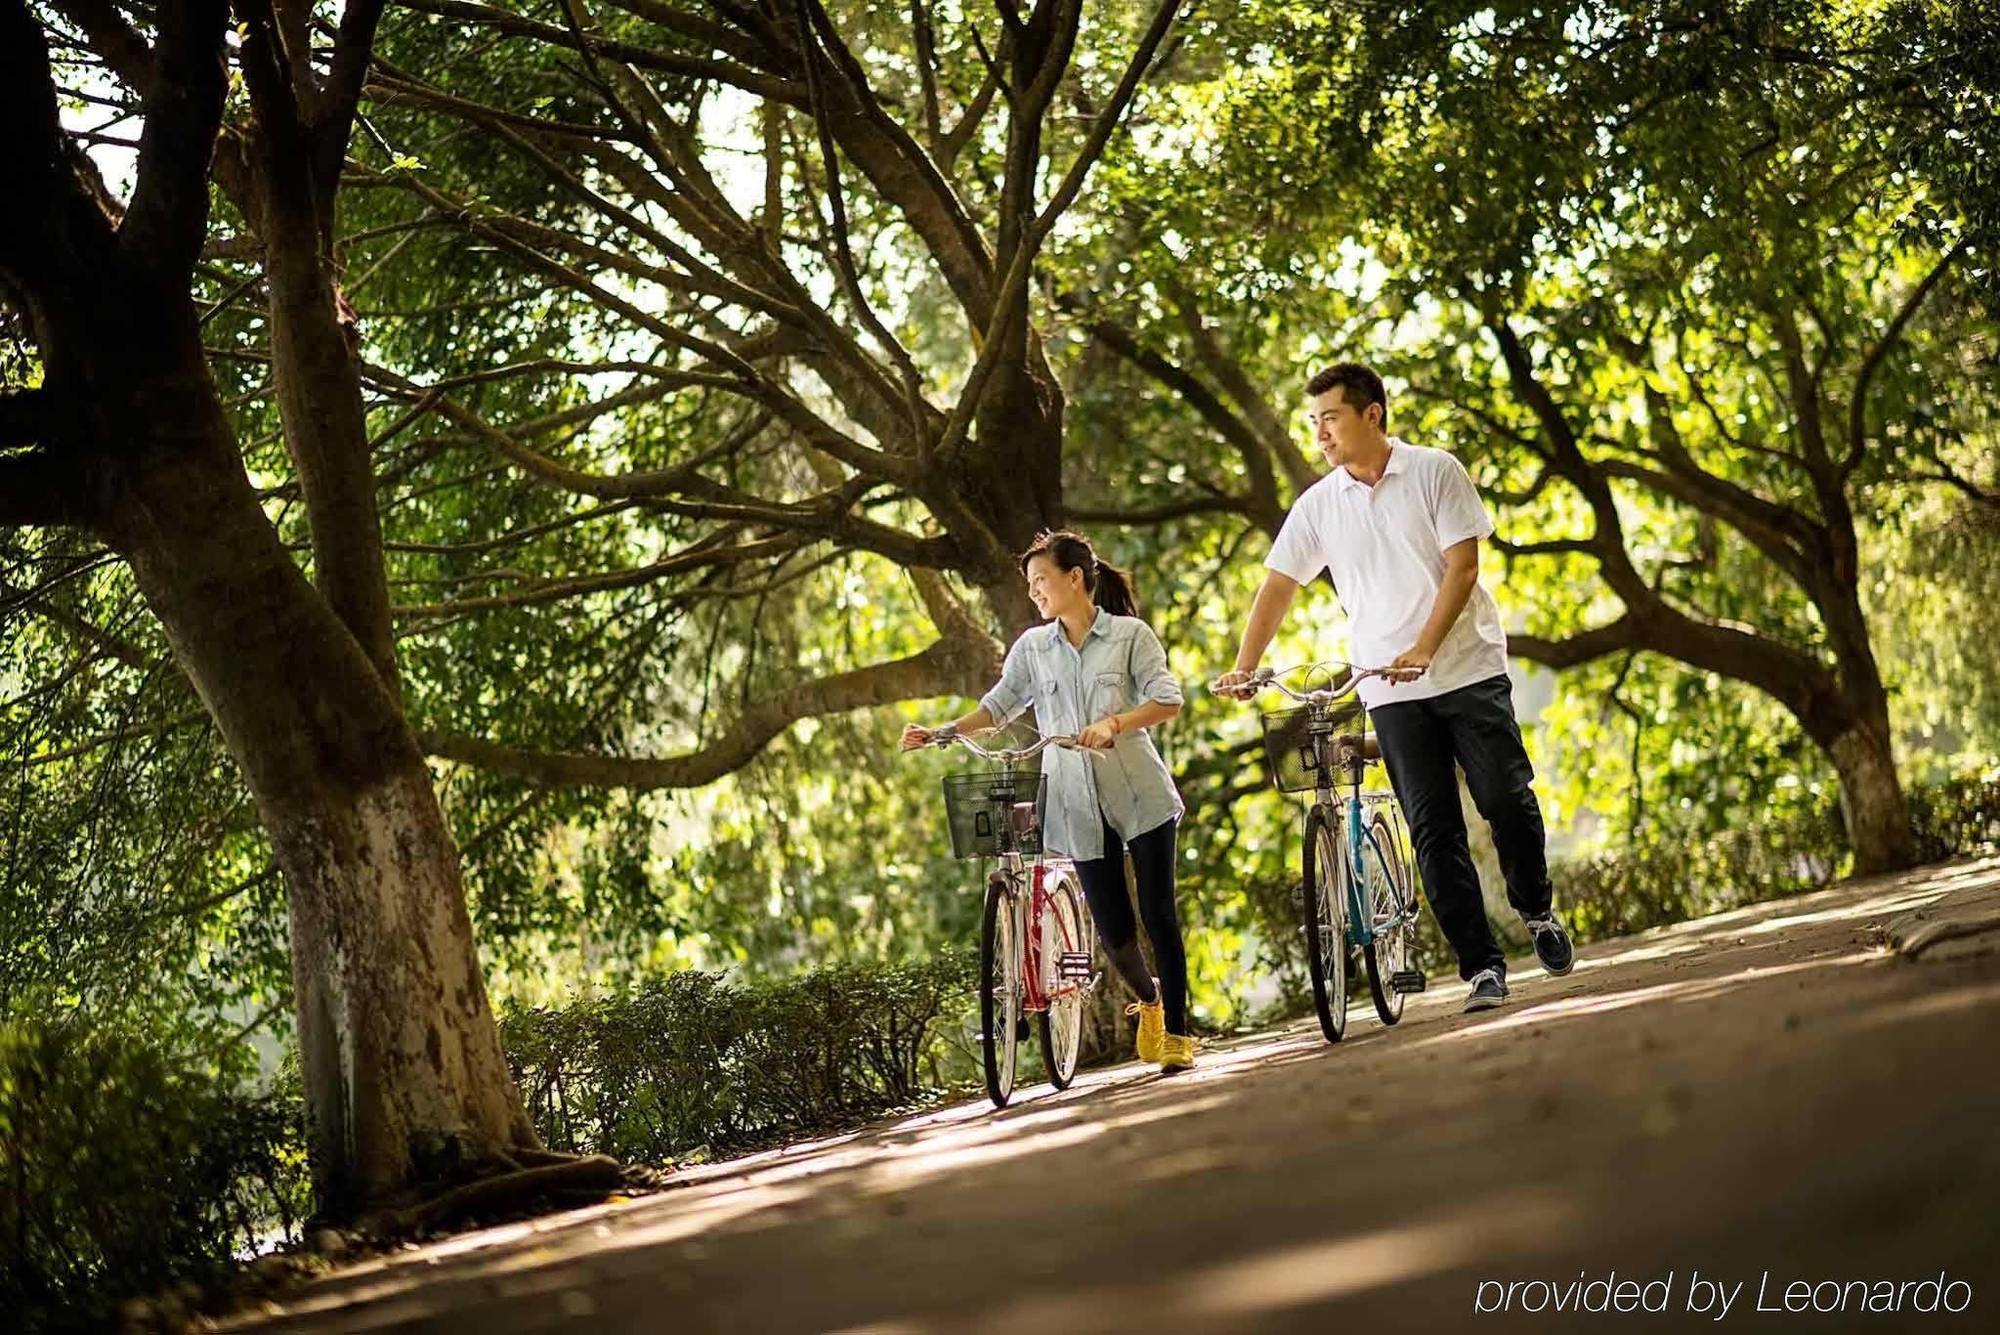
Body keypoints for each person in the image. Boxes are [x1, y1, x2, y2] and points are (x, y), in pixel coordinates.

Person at [1217, 363, 1574, 1013]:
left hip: (1465, 666)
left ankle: (1537, 909)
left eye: (1330, 416)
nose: (1319, 431)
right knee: (1433, 830)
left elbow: (1463, 568)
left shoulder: (1436, 470)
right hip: (1388, 685)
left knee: (1504, 795)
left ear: (1371, 413)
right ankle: (1482, 967)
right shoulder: (1319, 505)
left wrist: (1426, 648)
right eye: (1314, 421)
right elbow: (1278, 586)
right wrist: (1245, 664)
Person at [901, 531, 1197, 1072]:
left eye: (1042, 580)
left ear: (1074, 578)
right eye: (1030, 583)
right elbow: (999, 707)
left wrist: (1114, 723)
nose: (1035, 591)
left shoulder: (1129, 635)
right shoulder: (1032, 648)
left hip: (1140, 795)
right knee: (1114, 934)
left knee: (1159, 916)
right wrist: (943, 732)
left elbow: (1167, 699)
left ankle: (1178, 1035)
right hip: (1074, 802)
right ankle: (1150, 1000)